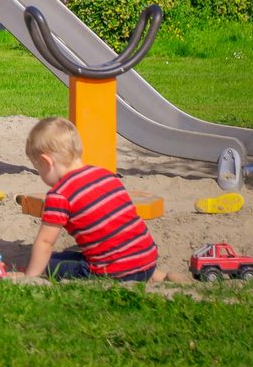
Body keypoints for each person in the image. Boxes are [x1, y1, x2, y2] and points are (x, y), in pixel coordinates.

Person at [20, 116, 158, 281]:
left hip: (114, 272)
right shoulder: (105, 175)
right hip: (147, 261)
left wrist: (30, 276)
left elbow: (45, 242)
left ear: (46, 161)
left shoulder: (59, 195)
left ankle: (32, 273)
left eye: (38, 168)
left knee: (48, 264)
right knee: (66, 256)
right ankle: (161, 276)